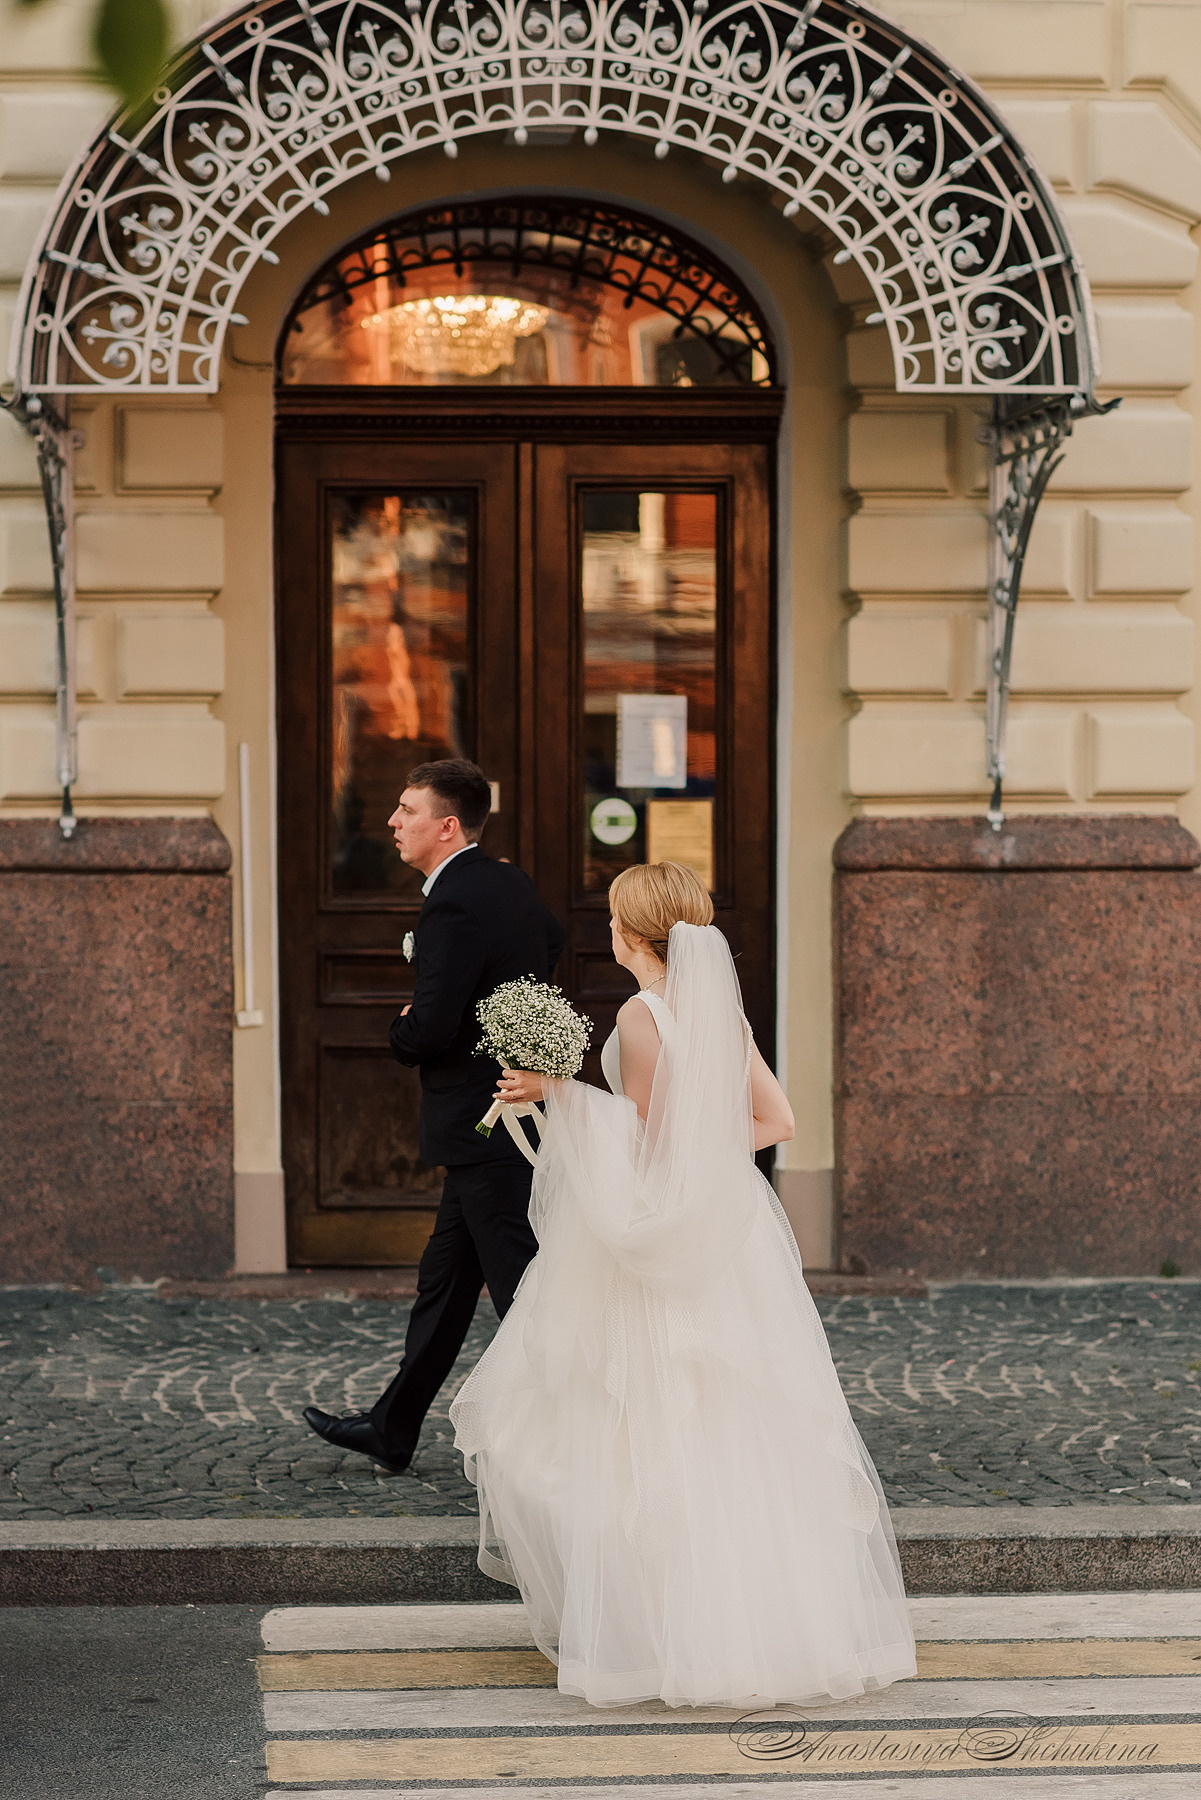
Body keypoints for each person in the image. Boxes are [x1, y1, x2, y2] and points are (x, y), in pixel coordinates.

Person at [450, 861, 915, 1709]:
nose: (607, 929)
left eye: (612, 918)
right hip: (726, 1244)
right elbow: (776, 1122)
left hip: (658, 1248)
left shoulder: (640, 1014)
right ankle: (751, 1631)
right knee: (729, 1433)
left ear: (632, 932)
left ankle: (651, 1633)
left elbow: (644, 1141)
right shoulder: (717, 1013)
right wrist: (701, 1162)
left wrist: (556, 1092)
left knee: (635, 1430)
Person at [304, 759, 565, 1473]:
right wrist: (511, 1025)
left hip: (481, 1122)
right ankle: (391, 1430)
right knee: (444, 1286)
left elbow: (429, 1029)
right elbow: (549, 941)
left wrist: (404, 1026)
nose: (392, 821)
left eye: (407, 810)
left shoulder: (452, 902)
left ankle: (581, 1438)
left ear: (446, 826)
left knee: (521, 1292)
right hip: (495, 1119)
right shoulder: (507, 880)